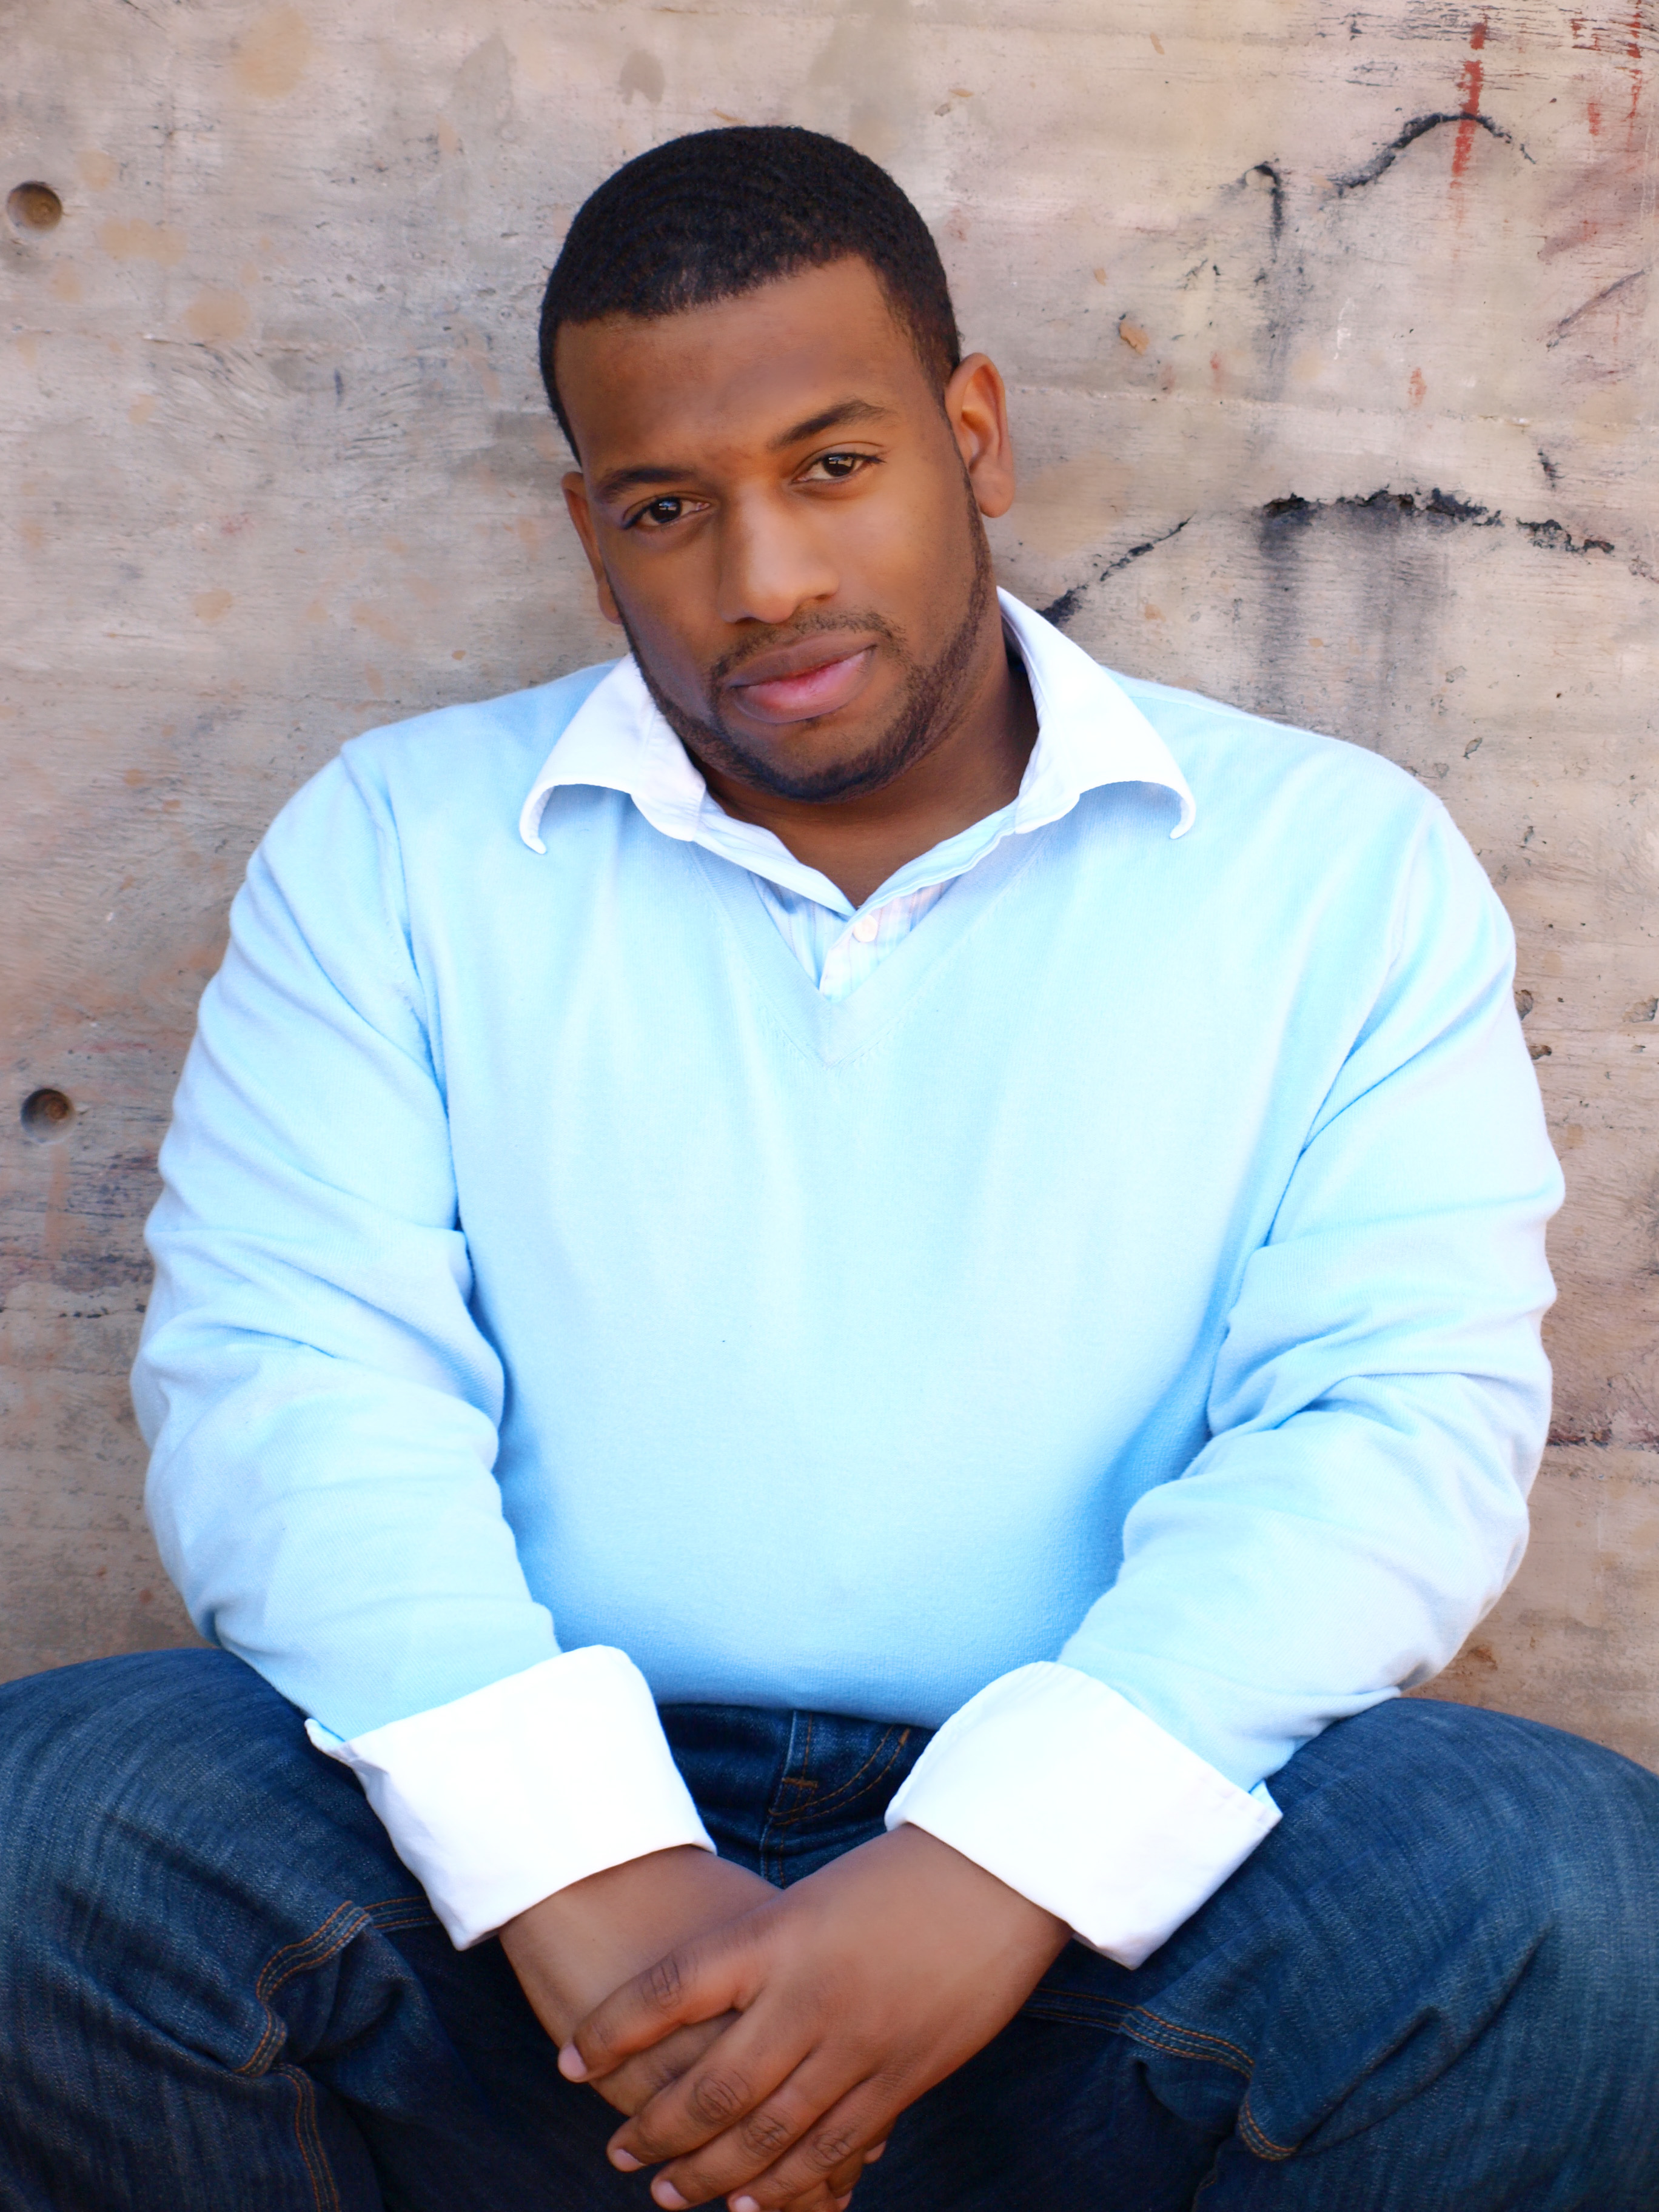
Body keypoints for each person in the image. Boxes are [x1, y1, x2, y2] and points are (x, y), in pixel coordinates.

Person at [0, 124, 1655, 2212]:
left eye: (835, 465)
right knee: (54, 1824)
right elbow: (293, 1388)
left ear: (975, 437)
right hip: (523, 1915)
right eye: (669, 508)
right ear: (592, 531)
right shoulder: (397, 847)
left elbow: (1390, 1426)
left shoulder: (1331, 867)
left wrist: (988, 1873)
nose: (763, 579)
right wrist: (585, 1873)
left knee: (1561, 1896)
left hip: (1104, 1925)